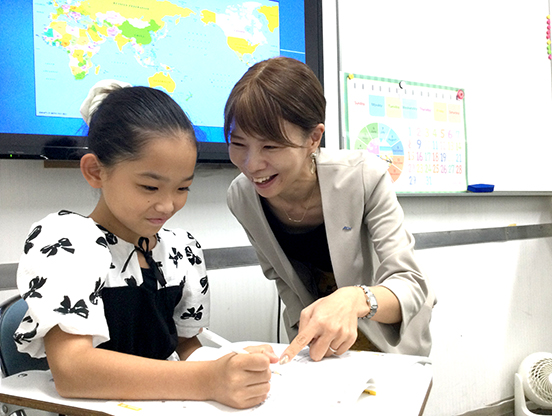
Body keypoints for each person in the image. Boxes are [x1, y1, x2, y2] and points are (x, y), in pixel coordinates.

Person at [14, 80, 277, 409]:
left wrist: (229, 362)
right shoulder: (65, 243)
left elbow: (185, 346)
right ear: (95, 171)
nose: (167, 205)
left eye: (182, 188)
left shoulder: (181, 250)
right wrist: (209, 379)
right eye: (150, 187)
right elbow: (72, 370)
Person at [224, 57, 436, 364]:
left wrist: (355, 298)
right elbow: (283, 278)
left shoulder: (363, 176)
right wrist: (302, 334)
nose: (251, 164)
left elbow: (411, 283)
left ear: (313, 138)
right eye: (238, 143)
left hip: (389, 334)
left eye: (270, 146)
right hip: (320, 341)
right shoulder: (241, 197)